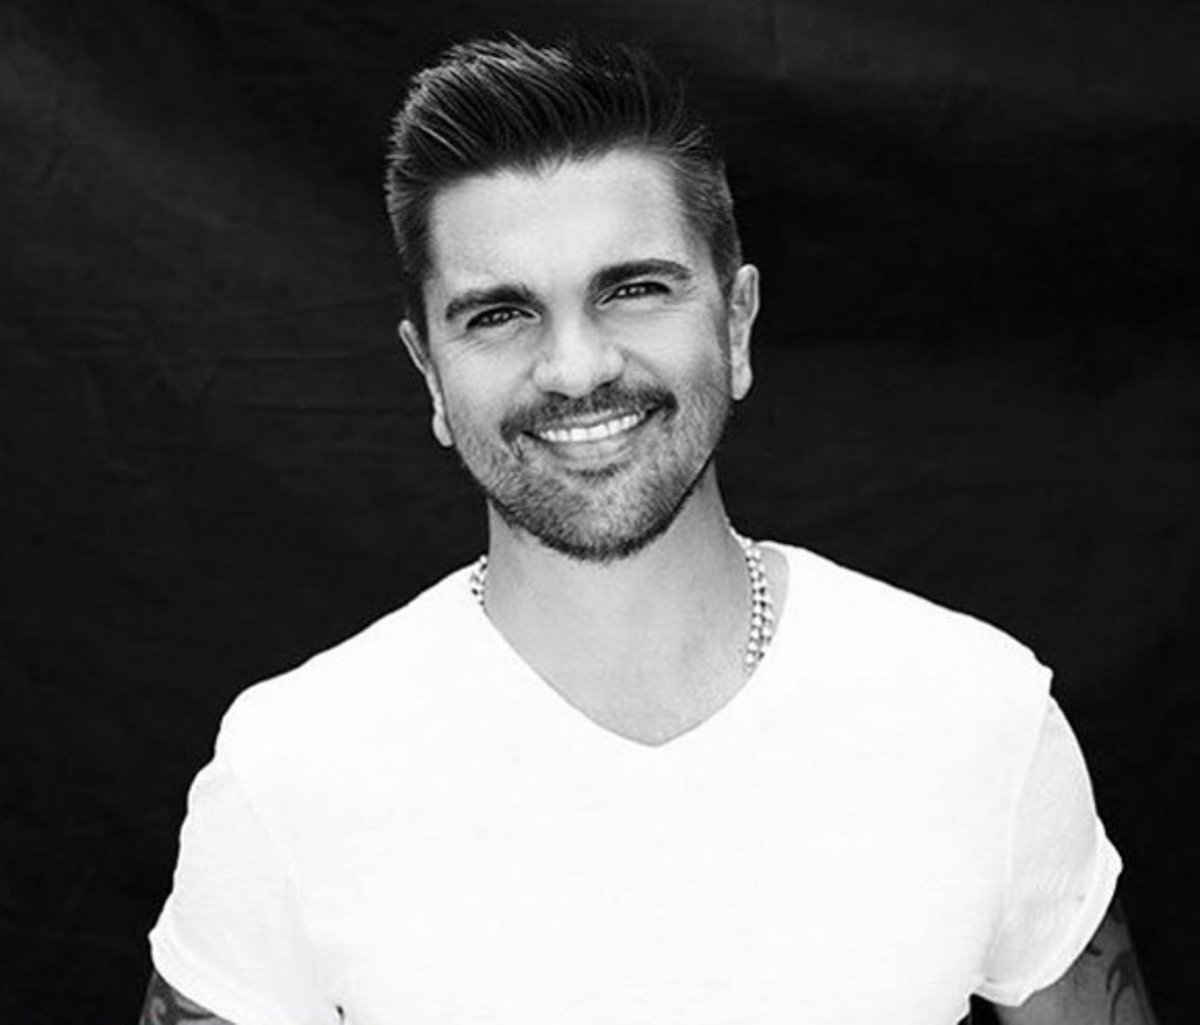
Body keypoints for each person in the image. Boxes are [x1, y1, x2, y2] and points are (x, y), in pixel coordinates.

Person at [142, 37, 1159, 1025]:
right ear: (431, 376)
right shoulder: (290, 766)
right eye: (499, 314)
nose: (576, 367)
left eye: (632, 290)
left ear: (736, 323)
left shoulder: (977, 713)